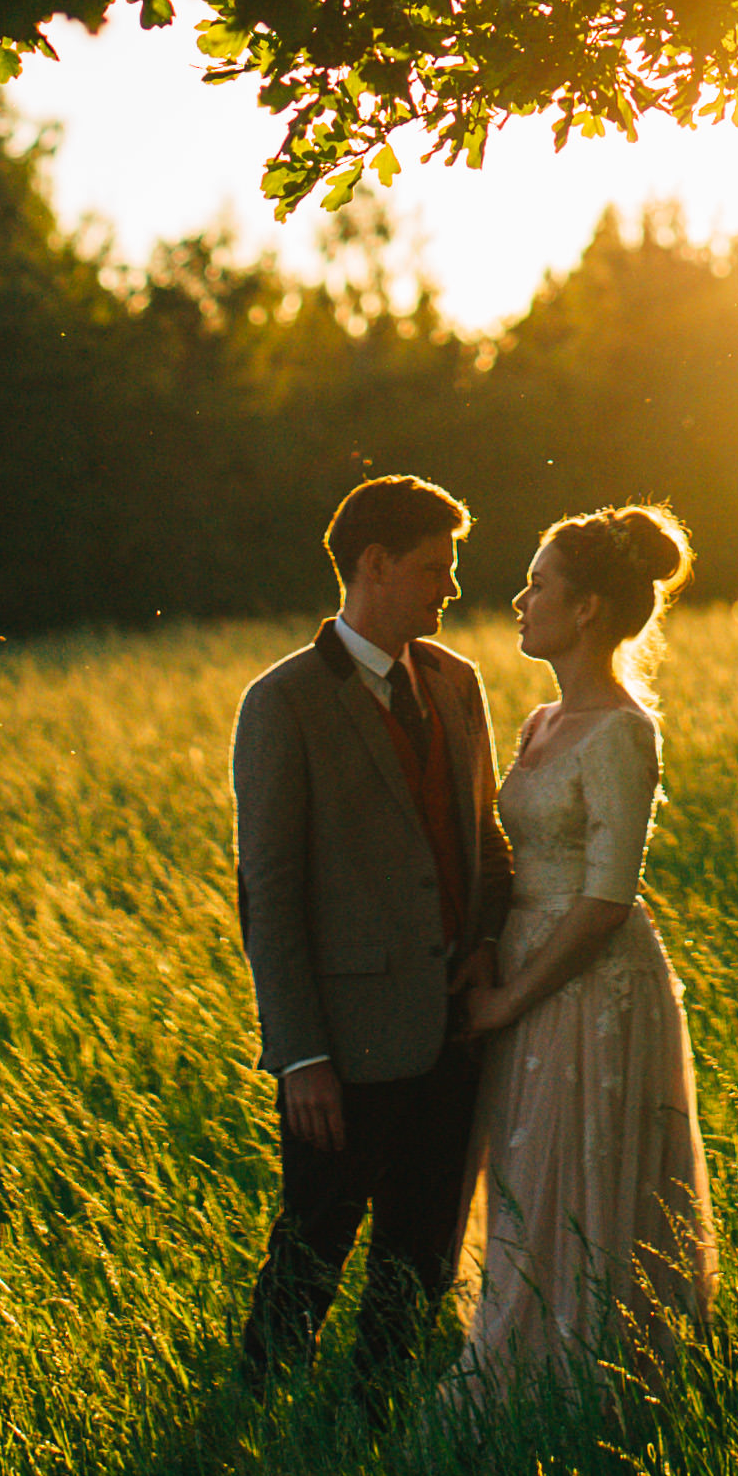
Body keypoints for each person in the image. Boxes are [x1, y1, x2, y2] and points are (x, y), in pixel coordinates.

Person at [231, 472, 515, 1399]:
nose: (452, 588)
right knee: (311, 1245)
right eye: (436, 568)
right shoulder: (283, 702)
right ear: (375, 564)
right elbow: (268, 896)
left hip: (454, 1031)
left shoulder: (457, 682)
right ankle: (257, 1417)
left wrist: (484, 942)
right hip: (342, 1046)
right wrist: (300, 1055)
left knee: (422, 1251)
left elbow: (484, 840)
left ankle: (376, 1416)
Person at [455, 499, 717, 1394]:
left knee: (582, 1169)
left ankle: (587, 1375)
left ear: (587, 610)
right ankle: (519, 1348)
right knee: (529, 1165)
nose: (520, 600)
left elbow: (607, 900)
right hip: (529, 962)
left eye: (538, 585)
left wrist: (507, 998)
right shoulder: (538, 723)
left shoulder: (621, 731)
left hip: (587, 978)